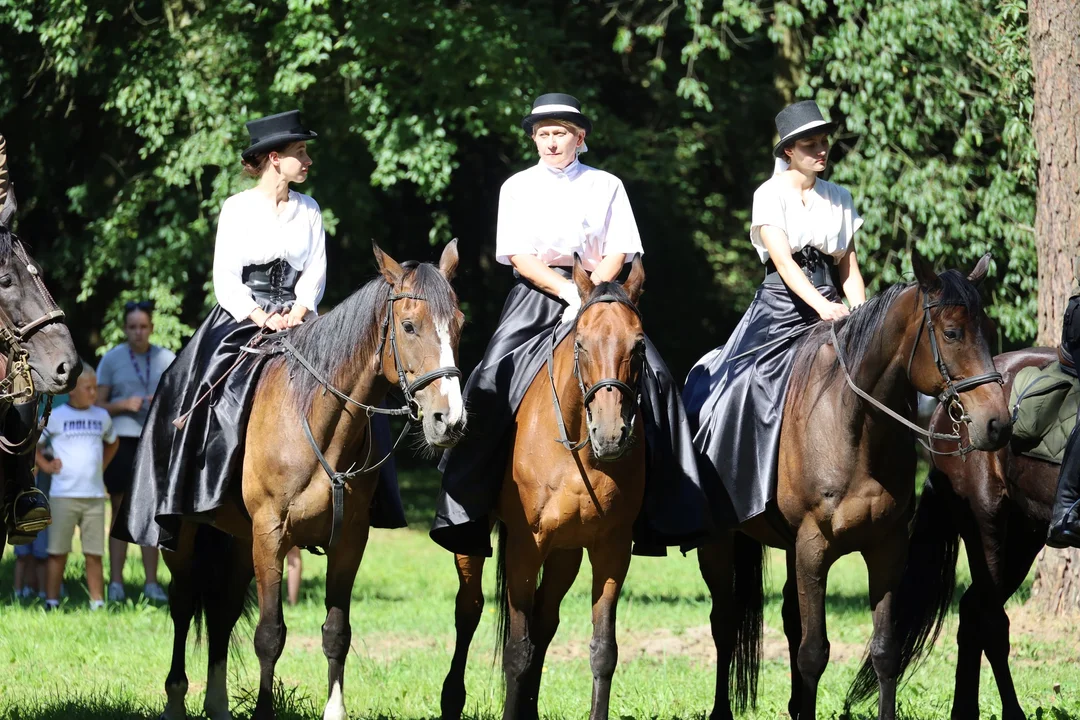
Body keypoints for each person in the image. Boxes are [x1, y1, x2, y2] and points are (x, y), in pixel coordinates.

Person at [432, 93, 707, 557]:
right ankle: (468, 509)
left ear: (579, 138)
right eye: (543, 134)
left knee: (657, 379)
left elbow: (621, 246)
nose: (550, 142)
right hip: (537, 295)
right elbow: (518, 255)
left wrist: (594, 291)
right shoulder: (516, 187)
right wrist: (566, 291)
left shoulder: (607, 185)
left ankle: (666, 507)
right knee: (488, 380)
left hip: (602, 295)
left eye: (559, 133)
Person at [683, 99, 866, 527]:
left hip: (833, 302)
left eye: (824, 142)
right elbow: (783, 263)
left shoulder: (840, 197)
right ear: (788, 151)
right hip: (780, 306)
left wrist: (861, 318)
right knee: (744, 384)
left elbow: (850, 268)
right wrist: (822, 307)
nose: (821, 151)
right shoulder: (768, 194)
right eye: (809, 145)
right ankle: (729, 493)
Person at [97, 300, 176, 602]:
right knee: (119, 511)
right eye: (132, 327)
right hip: (121, 441)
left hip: (154, 442)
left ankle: (152, 583)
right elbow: (96, 405)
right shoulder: (112, 359)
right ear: (125, 329)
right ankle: (115, 583)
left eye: (143, 327)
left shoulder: (166, 357)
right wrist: (122, 404)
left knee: (150, 513)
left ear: (151, 328)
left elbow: (181, 399)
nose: (138, 332)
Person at [38, 367, 119, 610]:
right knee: (57, 552)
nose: (94, 392)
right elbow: (35, 447)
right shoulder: (56, 416)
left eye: (96, 387)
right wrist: (46, 466)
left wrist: (100, 466)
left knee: (94, 553)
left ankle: (97, 603)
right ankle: (52, 601)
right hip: (63, 496)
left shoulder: (102, 416)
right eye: (88, 388)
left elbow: (113, 443)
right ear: (72, 391)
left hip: (94, 497)